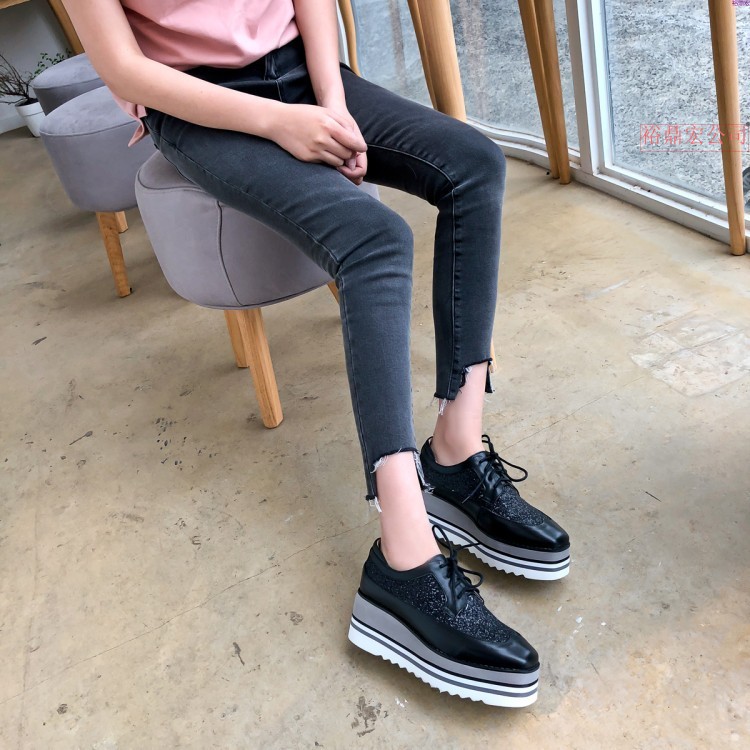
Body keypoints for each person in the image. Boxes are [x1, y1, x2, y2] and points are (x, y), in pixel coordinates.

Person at [65, 0, 570, 706]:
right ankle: (402, 562)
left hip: (308, 71)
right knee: (376, 240)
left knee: (474, 165)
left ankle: (455, 455)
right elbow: (124, 69)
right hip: (199, 106)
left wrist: (331, 102)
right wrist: (278, 122)